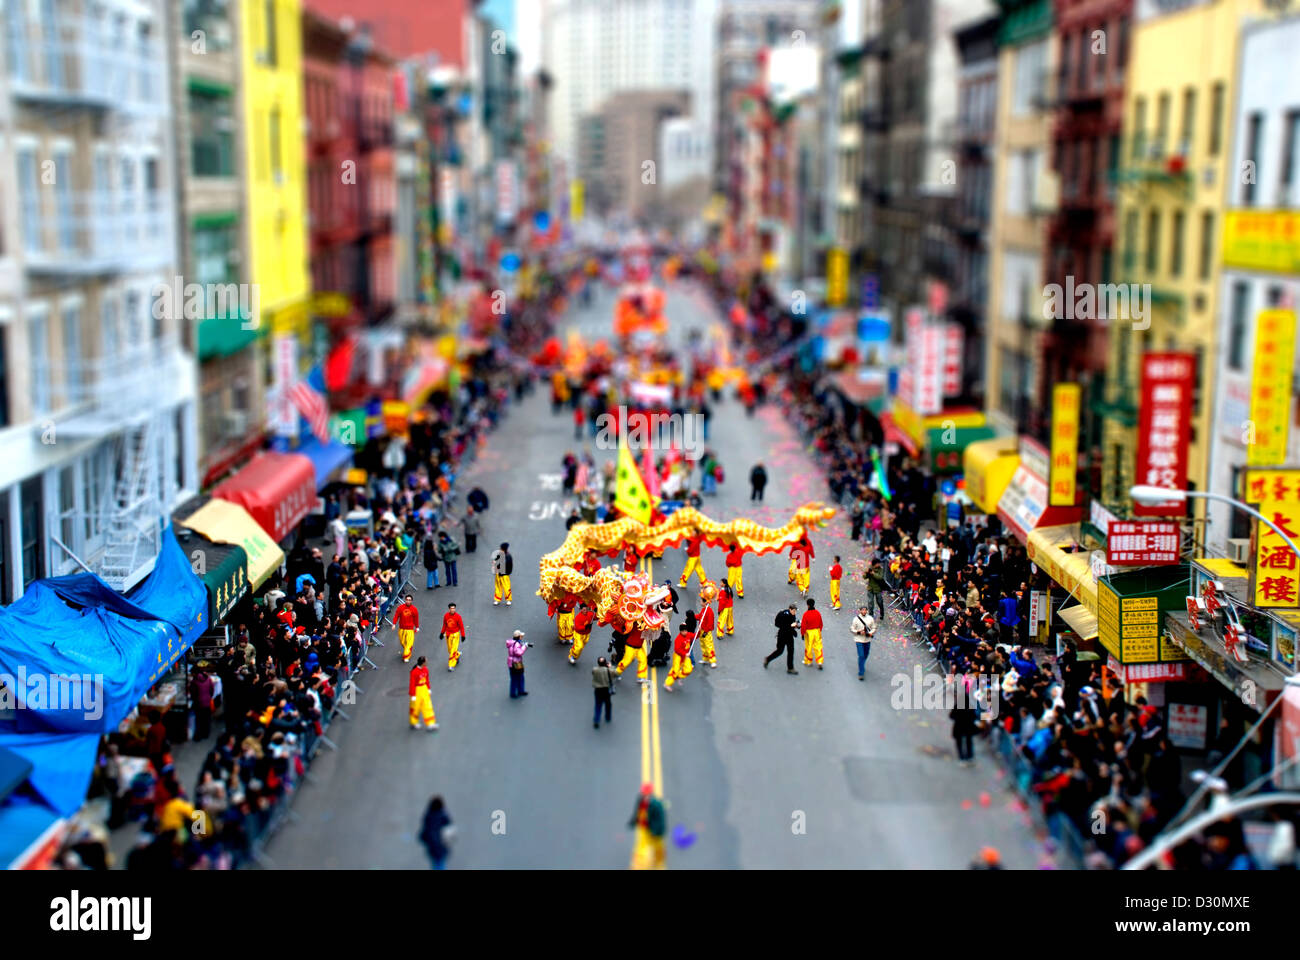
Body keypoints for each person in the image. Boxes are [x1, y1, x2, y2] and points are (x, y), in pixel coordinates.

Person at [419, 795, 454, 869]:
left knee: (436, 864)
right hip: (442, 847)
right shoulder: (444, 817)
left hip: (433, 847)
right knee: (440, 864)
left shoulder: (428, 816)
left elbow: (424, 834)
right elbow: (450, 835)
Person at [764, 603, 799, 674]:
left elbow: (792, 623)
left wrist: (796, 626)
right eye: (794, 611)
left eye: (795, 611)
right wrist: (791, 625)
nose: (795, 612)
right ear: (790, 609)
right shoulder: (783, 615)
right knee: (780, 651)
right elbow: (780, 625)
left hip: (789, 635)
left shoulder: (792, 615)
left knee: (791, 651)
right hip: (782, 635)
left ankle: (790, 668)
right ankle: (768, 659)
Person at [664, 617, 696, 692]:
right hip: (678, 656)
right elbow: (677, 650)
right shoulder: (678, 639)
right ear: (680, 631)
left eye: (686, 630)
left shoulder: (688, 635)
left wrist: (699, 631)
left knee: (689, 669)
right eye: (683, 631)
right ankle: (667, 684)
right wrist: (685, 654)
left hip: (685, 656)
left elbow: (695, 636)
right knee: (675, 670)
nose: (685, 632)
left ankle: (678, 676)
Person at [409, 656, 439, 731]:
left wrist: (428, 688)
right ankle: (414, 722)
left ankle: (430, 723)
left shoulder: (425, 669)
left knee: (428, 706)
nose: (427, 662)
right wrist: (413, 695)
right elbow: (412, 684)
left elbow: (427, 680)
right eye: (426, 661)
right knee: (416, 707)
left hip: (424, 689)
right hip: (417, 690)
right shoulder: (414, 672)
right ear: (423, 663)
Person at [189, 666, 215, 741]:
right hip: (207, 702)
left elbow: (193, 693)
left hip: (199, 704)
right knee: (206, 719)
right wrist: (209, 697)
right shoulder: (208, 679)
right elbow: (212, 689)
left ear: (195, 673)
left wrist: (194, 699)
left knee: (199, 720)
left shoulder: (194, 682)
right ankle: (206, 734)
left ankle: (199, 736)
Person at [393, 594, 420, 663]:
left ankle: (406, 656)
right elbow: (396, 615)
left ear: (412, 601)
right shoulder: (400, 608)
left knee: (409, 643)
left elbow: (416, 619)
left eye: (409, 600)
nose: (408, 601)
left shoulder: (414, 609)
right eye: (407, 600)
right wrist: (394, 624)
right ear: (405, 600)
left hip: (410, 629)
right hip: (401, 629)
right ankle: (407, 651)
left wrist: (417, 627)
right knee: (402, 642)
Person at [850, 605, 876, 680]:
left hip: (867, 640)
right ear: (860, 611)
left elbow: (874, 627)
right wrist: (858, 632)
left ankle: (861, 663)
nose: (864, 611)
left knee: (866, 654)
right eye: (862, 610)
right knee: (861, 655)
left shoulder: (870, 618)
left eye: (865, 610)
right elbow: (852, 628)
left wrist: (871, 633)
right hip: (859, 640)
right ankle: (861, 672)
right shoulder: (856, 619)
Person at [440, 602, 466, 672]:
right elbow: (444, 625)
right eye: (451, 608)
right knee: (450, 650)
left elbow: (461, 627)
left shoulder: (458, 617)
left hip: (455, 635)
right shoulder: (446, 616)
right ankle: (457, 654)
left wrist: (463, 635)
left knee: (452, 651)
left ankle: (451, 665)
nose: (453, 610)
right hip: (448, 635)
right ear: (449, 609)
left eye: (454, 608)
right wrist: (442, 633)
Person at [801, 597, 824, 670]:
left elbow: (803, 625)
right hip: (817, 631)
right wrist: (819, 631)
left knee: (809, 646)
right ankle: (820, 661)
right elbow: (821, 623)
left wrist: (802, 633)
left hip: (809, 632)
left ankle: (808, 661)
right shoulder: (817, 613)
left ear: (807, 605)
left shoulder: (806, 614)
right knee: (818, 646)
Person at [592, 656, 615, 728]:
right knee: (608, 704)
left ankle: (596, 720)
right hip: (606, 690)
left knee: (598, 705)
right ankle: (608, 717)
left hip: (597, 690)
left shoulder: (594, 670)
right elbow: (615, 673)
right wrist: (610, 667)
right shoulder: (608, 670)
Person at [507, 630, 531, 698]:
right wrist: (525, 646)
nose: (521, 637)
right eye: (521, 636)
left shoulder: (513, 643)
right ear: (519, 637)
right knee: (518, 677)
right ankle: (516, 692)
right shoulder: (516, 644)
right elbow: (519, 653)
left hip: (512, 663)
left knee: (517, 677)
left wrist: (523, 645)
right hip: (515, 663)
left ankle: (517, 691)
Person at [697, 597, 717, 668]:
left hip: (706, 632)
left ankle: (713, 660)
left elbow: (710, 623)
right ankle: (705, 658)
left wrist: (706, 631)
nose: (700, 602)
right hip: (702, 630)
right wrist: (693, 617)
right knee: (703, 645)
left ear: (705, 602)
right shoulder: (703, 610)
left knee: (709, 645)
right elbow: (700, 617)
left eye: (701, 601)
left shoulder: (709, 611)